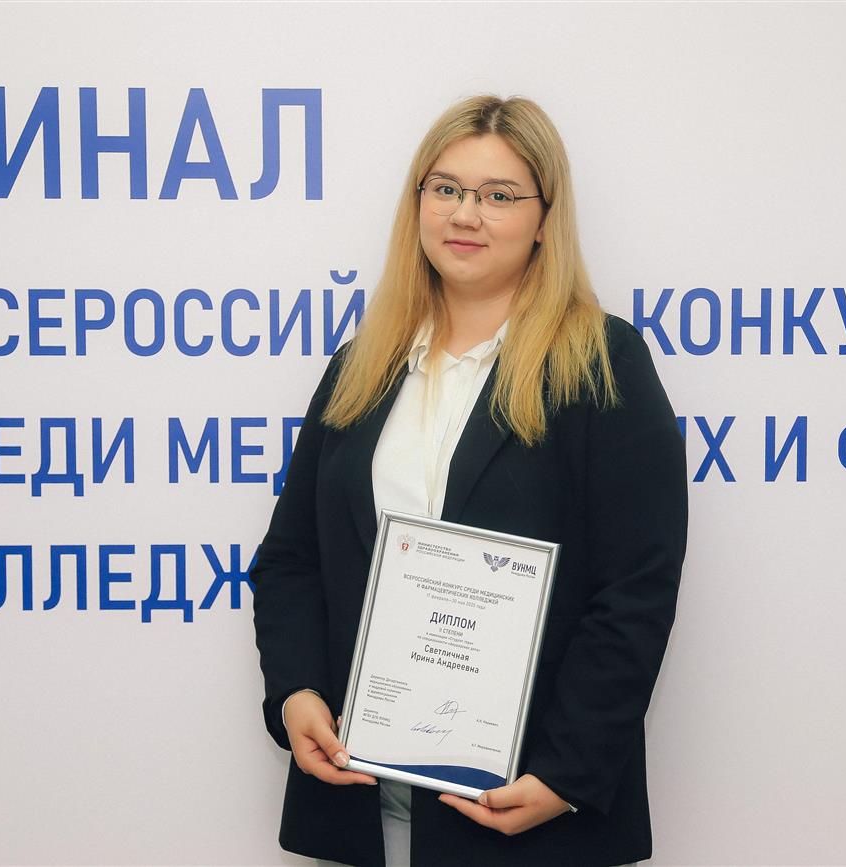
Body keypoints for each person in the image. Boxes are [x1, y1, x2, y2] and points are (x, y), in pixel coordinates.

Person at [251, 94, 688, 867]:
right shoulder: (361, 367)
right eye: (446, 188)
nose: (465, 214)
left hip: (525, 813)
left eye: (499, 195)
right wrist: (296, 692)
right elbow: (291, 560)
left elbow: (635, 589)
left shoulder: (602, 363)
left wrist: (565, 774)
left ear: (545, 218)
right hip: (362, 810)